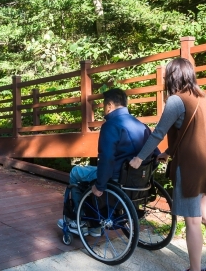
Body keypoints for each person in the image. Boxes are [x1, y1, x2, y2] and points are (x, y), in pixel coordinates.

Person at [129, 57, 206, 271]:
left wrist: (139, 158)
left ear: (171, 77)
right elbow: (193, 134)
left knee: (192, 221)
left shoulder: (176, 100)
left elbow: (158, 133)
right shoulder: (202, 98)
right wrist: (169, 152)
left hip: (190, 169)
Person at [57, 87, 159, 237]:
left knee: (76, 172)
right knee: (91, 174)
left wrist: (100, 185)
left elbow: (106, 158)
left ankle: (81, 221)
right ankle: (95, 226)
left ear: (110, 105)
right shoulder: (141, 125)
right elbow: (155, 153)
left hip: (116, 177)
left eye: (104, 106)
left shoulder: (111, 125)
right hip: (137, 180)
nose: (104, 110)